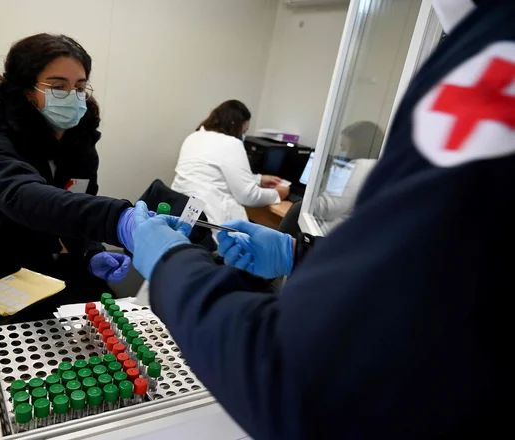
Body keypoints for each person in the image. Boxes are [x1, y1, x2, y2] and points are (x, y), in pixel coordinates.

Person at [131, 1, 512, 438]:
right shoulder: (477, 39)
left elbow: (304, 376)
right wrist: (302, 253)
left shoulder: (492, 51)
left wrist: (172, 265)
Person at [0, 34, 141, 295]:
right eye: (58, 86)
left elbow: (74, 201)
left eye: (79, 87)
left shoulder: (79, 139)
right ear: (27, 90)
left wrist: (90, 252)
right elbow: (23, 196)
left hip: (30, 267)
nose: (72, 97)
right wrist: (116, 218)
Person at [171, 100, 288, 230]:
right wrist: (276, 194)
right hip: (209, 220)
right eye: (244, 131)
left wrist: (258, 179)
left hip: (184, 212)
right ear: (235, 125)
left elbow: (212, 174)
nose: (243, 135)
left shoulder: (193, 137)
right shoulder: (231, 143)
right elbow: (247, 196)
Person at [312, 121, 385, 231]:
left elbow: (329, 207)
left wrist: (306, 203)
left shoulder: (360, 166)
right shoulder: (376, 166)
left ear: (359, 147)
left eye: (343, 147)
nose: (340, 151)